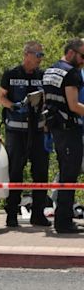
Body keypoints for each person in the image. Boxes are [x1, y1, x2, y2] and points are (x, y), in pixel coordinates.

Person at [0, 41, 51, 228]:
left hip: (37, 133)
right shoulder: (11, 74)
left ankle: (38, 214)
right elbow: (0, 97)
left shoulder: (42, 76)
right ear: (27, 54)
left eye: (42, 55)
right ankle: (11, 215)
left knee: (41, 173)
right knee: (15, 173)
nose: (40, 59)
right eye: (38, 55)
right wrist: (13, 106)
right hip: (16, 133)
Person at [43, 38, 84, 233]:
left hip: (56, 128)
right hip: (68, 129)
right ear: (71, 53)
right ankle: (63, 222)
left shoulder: (51, 69)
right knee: (69, 175)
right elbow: (74, 105)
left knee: (65, 173)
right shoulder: (72, 73)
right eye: (82, 56)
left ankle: (63, 219)